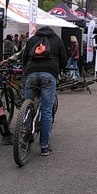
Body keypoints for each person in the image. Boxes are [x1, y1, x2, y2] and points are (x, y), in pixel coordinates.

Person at [22, 26, 67, 156]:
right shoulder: (57, 40)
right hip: (49, 75)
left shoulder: (32, 39)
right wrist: (61, 68)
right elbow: (64, 60)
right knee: (47, 111)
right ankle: (44, 147)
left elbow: (24, 57)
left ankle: (24, 141)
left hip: (31, 75)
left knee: (28, 108)